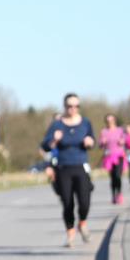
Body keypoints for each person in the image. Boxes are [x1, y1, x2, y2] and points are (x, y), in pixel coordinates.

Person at [41, 93, 95, 247]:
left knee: (85, 201)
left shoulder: (85, 123)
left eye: (76, 106)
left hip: (81, 165)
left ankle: (82, 222)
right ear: (64, 107)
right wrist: (54, 140)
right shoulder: (57, 125)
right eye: (69, 106)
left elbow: (93, 140)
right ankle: (70, 231)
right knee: (67, 202)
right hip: (63, 167)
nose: (73, 109)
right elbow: (45, 146)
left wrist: (90, 142)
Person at [99, 114, 128, 205]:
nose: (110, 122)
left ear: (114, 120)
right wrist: (102, 142)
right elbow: (100, 145)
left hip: (119, 155)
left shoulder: (120, 130)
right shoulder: (104, 131)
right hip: (109, 156)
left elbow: (126, 140)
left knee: (118, 175)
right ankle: (113, 195)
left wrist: (122, 141)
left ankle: (119, 193)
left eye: (111, 120)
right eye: (108, 120)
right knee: (112, 177)